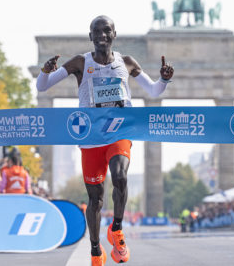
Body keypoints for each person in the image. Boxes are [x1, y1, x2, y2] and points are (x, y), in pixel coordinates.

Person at [36, 15, 174, 266]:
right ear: (90, 36)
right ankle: (96, 249)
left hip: (119, 132)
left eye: (106, 30)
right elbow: (43, 87)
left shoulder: (127, 62)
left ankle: (117, 229)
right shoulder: (80, 62)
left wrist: (163, 79)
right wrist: (45, 73)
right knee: (95, 199)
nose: (101, 34)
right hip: (91, 138)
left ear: (114, 34)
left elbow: (153, 91)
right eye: (96, 31)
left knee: (120, 176)